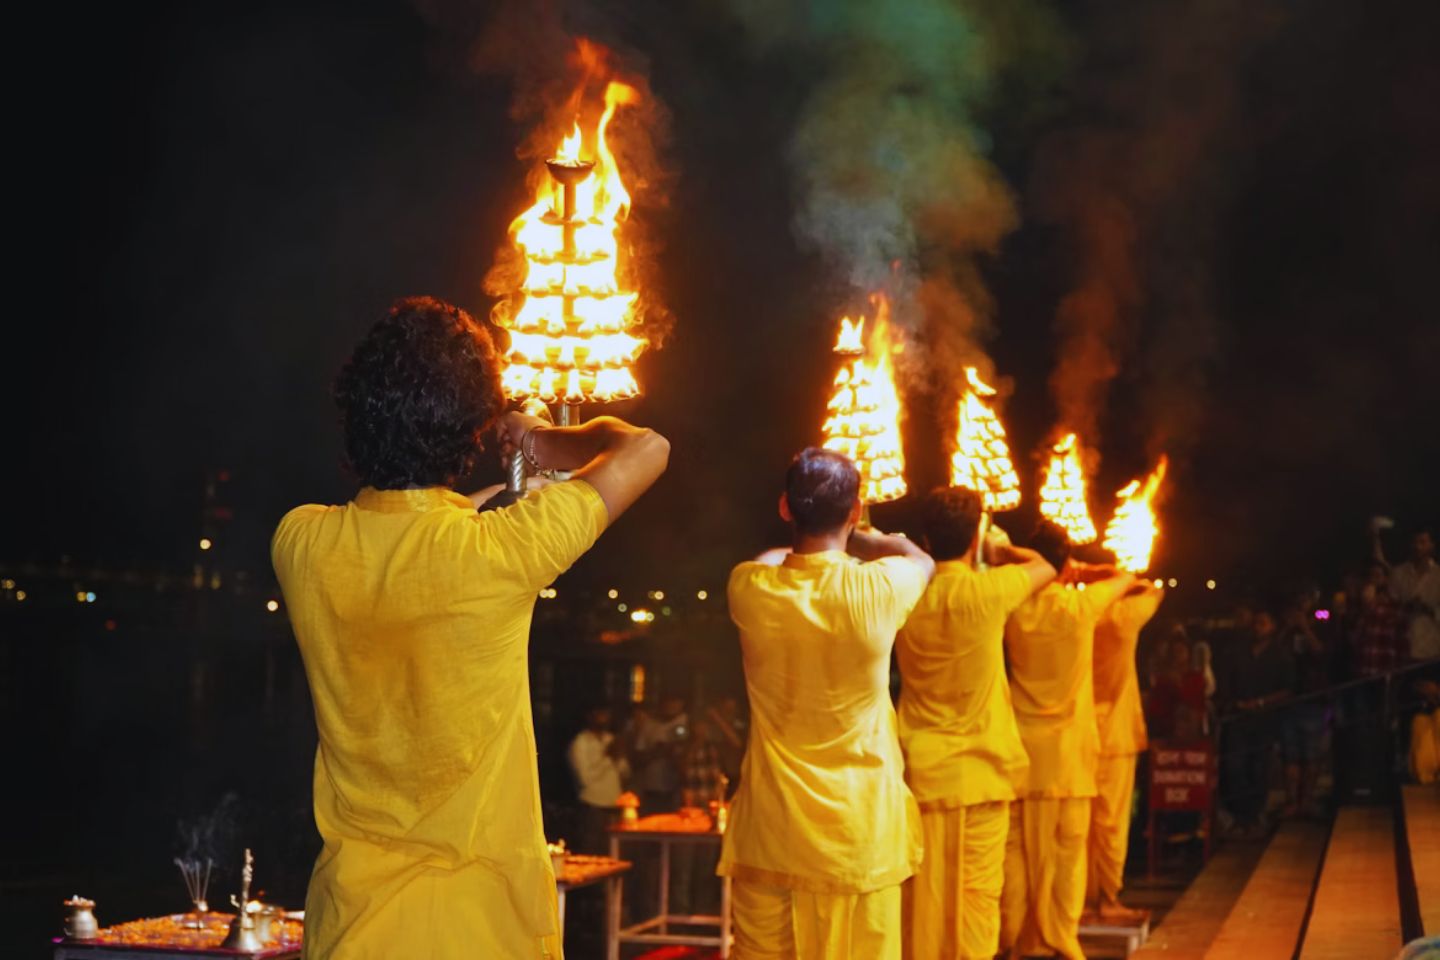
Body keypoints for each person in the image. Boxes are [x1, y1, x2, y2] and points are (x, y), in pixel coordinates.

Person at [271, 296, 670, 960]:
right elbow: (646, 448)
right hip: (478, 928)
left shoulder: (300, 542)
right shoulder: (499, 554)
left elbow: (422, 531)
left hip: (353, 927)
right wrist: (545, 441)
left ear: (354, 417)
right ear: (470, 430)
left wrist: (514, 486)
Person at [719, 447, 935, 960]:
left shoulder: (749, 589)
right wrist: (860, 535)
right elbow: (919, 560)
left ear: (785, 508)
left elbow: (771, 558)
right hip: (859, 836)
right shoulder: (877, 589)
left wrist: (825, 526)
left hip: (771, 835)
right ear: (855, 511)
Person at [894, 486, 1056, 960]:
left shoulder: (904, 593)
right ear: (974, 538)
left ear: (925, 536)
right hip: (983, 777)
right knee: (977, 903)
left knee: (920, 903)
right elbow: (1046, 567)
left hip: (920, 773)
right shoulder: (989, 590)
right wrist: (1000, 550)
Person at [999, 523, 1134, 960]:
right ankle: (1061, 939)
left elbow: (995, 554)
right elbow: (1128, 579)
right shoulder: (1081, 606)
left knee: (1017, 855)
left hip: (1023, 754)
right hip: (1071, 759)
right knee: (1066, 856)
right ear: (1064, 563)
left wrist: (1024, 560)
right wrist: (1087, 570)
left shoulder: (1014, 607)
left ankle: (1019, 941)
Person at [1088, 578, 1164, 922]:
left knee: (1081, 826)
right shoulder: (1122, 618)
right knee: (1111, 825)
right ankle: (1106, 898)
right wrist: (1124, 576)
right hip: (1115, 737)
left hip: (1079, 733)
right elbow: (1155, 591)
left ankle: (1080, 901)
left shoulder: (1080, 613)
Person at [1219, 609, 1296, 837]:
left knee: (1258, 767)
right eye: (1255, 623)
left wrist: (1261, 702)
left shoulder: (1280, 655)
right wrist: (1232, 703)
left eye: (1262, 623)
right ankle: (1240, 815)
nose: (1257, 627)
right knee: (1235, 767)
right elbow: (1227, 681)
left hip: (1264, 721)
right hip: (1238, 718)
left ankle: (1253, 816)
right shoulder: (1238, 652)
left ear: (1272, 626)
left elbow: (1288, 689)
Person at [1279, 597, 1332, 818]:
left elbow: (1321, 652)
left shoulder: (1322, 623)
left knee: (1311, 755)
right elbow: (1277, 653)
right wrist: (1288, 628)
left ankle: (1307, 800)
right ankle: (1292, 801)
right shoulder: (1286, 633)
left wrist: (1305, 627)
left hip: (1313, 700)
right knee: (1290, 756)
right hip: (1289, 699)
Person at [568, 706, 629, 855]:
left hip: (615, 807)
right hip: (593, 807)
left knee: (612, 853)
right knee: (591, 852)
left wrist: (619, 757)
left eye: (606, 714)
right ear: (590, 716)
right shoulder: (580, 743)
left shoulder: (611, 739)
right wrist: (608, 757)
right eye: (600, 714)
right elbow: (585, 779)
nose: (604, 718)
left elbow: (625, 773)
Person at [1377, 527, 1440, 662]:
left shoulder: (1438, 575)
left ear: (1432, 545)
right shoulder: (1398, 574)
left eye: (1423, 542)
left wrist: (1428, 609)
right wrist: (1406, 607)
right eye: (1414, 542)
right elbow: (1389, 609)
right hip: (1402, 648)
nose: (1418, 547)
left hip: (1433, 649)